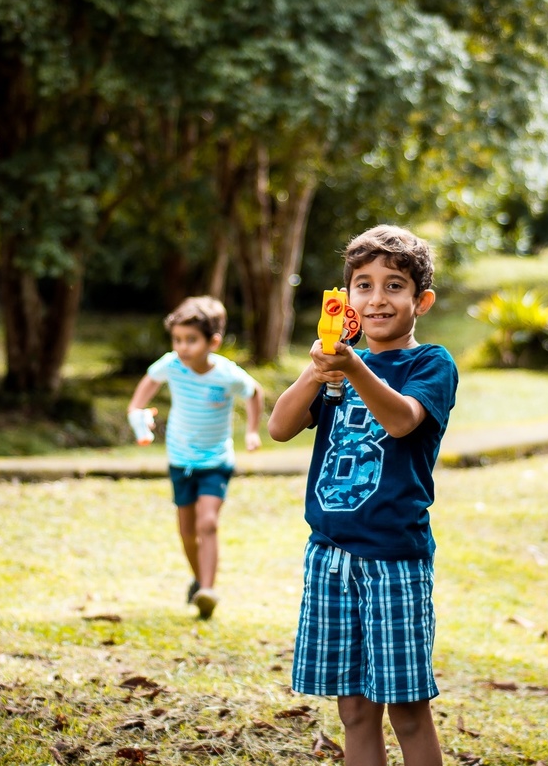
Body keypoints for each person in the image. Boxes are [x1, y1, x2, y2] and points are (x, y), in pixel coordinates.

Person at [268, 225, 458, 766]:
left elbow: (401, 421)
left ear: (421, 300)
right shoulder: (334, 365)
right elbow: (280, 426)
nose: (377, 299)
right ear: (345, 298)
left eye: (394, 286)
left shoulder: (431, 365)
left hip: (394, 559)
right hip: (329, 556)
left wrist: (353, 367)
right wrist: (320, 366)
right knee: (353, 710)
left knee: (407, 711)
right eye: (364, 285)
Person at [127, 295, 264, 621]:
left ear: (212, 342)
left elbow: (255, 392)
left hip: (216, 461)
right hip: (180, 459)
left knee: (208, 523)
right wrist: (137, 414)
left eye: (191, 340)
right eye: (177, 340)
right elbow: (145, 389)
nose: (182, 347)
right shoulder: (171, 365)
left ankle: (207, 590)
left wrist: (253, 431)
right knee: (187, 531)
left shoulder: (227, 374)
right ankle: (199, 580)